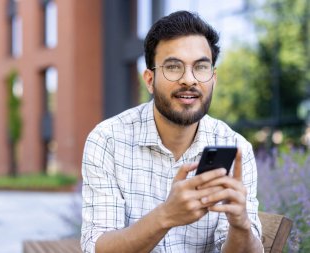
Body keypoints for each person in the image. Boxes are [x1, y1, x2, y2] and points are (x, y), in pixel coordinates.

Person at [81, 10, 263, 253]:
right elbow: (97, 247)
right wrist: (166, 215)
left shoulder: (236, 148)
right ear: (149, 80)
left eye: (200, 67)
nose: (189, 79)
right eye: (174, 67)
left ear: (213, 79)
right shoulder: (107, 140)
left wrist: (241, 227)